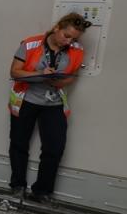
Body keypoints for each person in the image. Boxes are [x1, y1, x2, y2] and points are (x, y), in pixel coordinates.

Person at [8, 12, 90, 202]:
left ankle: (42, 191)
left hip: (54, 102)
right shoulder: (30, 44)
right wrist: (40, 74)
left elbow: (72, 77)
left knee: (54, 148)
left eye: (73, 39)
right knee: (19, 143)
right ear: (56, 28)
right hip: (26, 99)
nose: (69, 42)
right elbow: (15, 72)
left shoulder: (76, 50)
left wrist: (59, 82)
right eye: (66, 36)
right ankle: (18, 186)